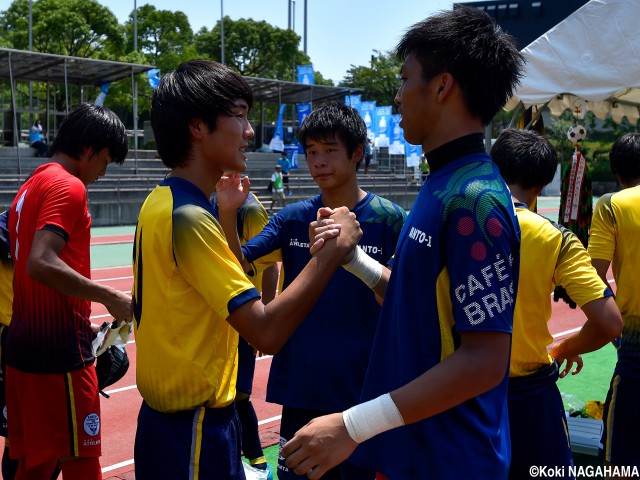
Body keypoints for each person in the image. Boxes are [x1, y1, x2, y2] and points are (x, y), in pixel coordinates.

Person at [281, 7, 525, 479]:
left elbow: (484, 361)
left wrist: (353, 424)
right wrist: (354, 262)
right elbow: (418, 302)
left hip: (451, 458)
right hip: (413, 450)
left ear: (441, 86)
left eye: (405, 78)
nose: (397, 96)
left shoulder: (475, 200)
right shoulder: (441, 183)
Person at [131, 59, 360, 480]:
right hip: (195, 430)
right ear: (198, 127)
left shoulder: (159, 201)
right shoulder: (191, 217)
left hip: (173, 424)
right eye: (239, 117)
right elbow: (266, 332)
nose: (250, 132)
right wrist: (332, 250)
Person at [218, 102, 406, 480]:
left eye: (329, 150)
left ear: (356, 154)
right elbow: (238, 268)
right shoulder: (291, 219)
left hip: (365, 390)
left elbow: (402, 299)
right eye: (311, 152)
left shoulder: (389, 219)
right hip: (304, 386)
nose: (318, 161)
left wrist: (356, 261)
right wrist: (227, 213)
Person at [6, 103, 132, 480]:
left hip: (23, 353)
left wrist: (83, 323)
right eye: (105, 161)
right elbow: (40, 262)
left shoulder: (33, 183)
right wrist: (109, 297)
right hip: (58, 359)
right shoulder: (68, 185)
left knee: (34, 466)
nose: (103, 172)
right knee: (82, 464)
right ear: (90, 149)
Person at [491, 128, 623, 479]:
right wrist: (566, 347)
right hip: (529, 394)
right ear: (541, 185)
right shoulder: (555, 237)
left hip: (457, 390)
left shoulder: (454, 220)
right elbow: (610, 323)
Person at [212, 192, 278, 480]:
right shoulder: (208, 199)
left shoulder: (250, 210)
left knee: (239, 395)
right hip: (218, 315)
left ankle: (259, 462)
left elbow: (270, 266)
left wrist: (263, 317)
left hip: (243, 313)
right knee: (221, 396)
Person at [588, 132, 640, 472]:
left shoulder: (611, 205)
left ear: (617, 171)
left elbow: (593, 279)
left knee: (620, 457)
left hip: (635, 346)